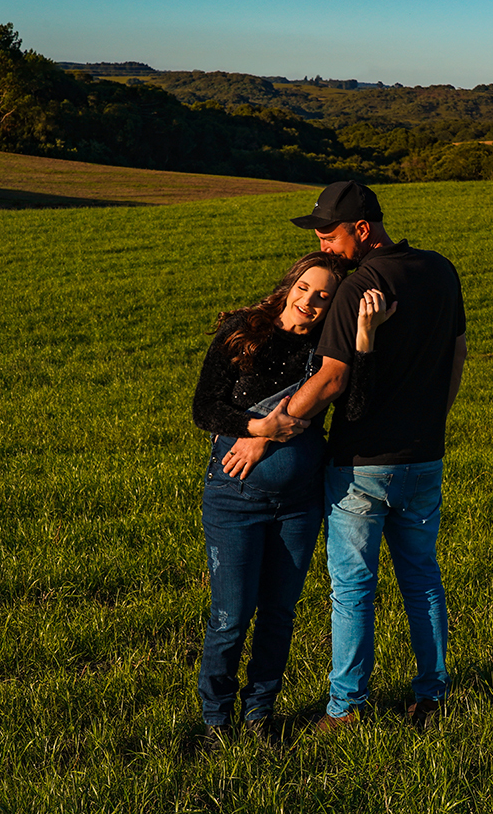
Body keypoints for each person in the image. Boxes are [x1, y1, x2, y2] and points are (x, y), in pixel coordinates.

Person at [191, 249, 393, 747]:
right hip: (235, 499)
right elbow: (204, 409)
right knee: (231, 617)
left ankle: (260, 717)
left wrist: (364, 338)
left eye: (324, 296)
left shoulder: (326, 350)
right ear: (289, 285)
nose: (310, 301)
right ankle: (216, 722)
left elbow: (357, 409)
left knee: (279, 615)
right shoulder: (243, 332)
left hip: (300, 504)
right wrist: (258, 428)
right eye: (305, 288)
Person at [285, 180, 468, 731]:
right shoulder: (441, 270)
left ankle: (347, 708)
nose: (323, 247)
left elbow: (332, 379)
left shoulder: (357, 287)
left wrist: (273, 425)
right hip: (425, 458)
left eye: (330, 236)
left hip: (360, 464)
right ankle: (432, 696)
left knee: (353, 591)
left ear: (362, 230)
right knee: (422, 580)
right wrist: (433, 421)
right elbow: (458, 355)